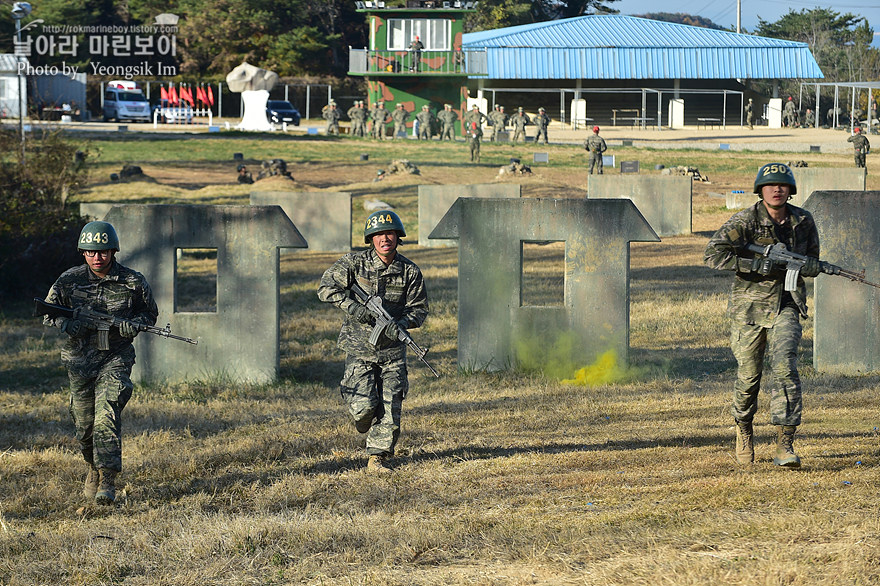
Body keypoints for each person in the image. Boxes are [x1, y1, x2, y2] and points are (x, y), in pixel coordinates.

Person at [704, 163, 820, 468]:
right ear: (761, 190)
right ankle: (743, 427)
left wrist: (810, 266)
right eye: (771, 185)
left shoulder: (803, 221)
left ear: (790, 190)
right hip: (749, 309)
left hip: (787, 305)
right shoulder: (744, 221)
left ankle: (785, 443)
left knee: (785, 369)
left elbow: (813, 260)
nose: (777, 189)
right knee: (749, 375)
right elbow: (713, 254)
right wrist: (753, 265)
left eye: (783, 185)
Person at [42, 221, 158, 503]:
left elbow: (149, 314)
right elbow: (48, 312)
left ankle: (107, 479)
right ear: (83, 252)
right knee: (84, 424)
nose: (98, 257)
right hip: (80, 359)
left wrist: (135, 325)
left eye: (104, 252)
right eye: (92, 252)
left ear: (113, 251)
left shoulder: (132, 281)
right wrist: (67, 324)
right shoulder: (69, 280)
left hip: (115, 357)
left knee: (107, 412)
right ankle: (92, 468)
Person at [317, 211, 429, 474]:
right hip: (359, 349)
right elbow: (325, 288)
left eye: (389, 233)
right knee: (365, 409)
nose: (384, 239)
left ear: (398, 237)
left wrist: (401, 325)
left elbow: (419, 310)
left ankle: (377, 458)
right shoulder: (354, 263)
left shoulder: (410, 271)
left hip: (392, 353)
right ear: (371, 239)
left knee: (391, 406)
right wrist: (353, 307)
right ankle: (362, 415)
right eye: (379, 234)